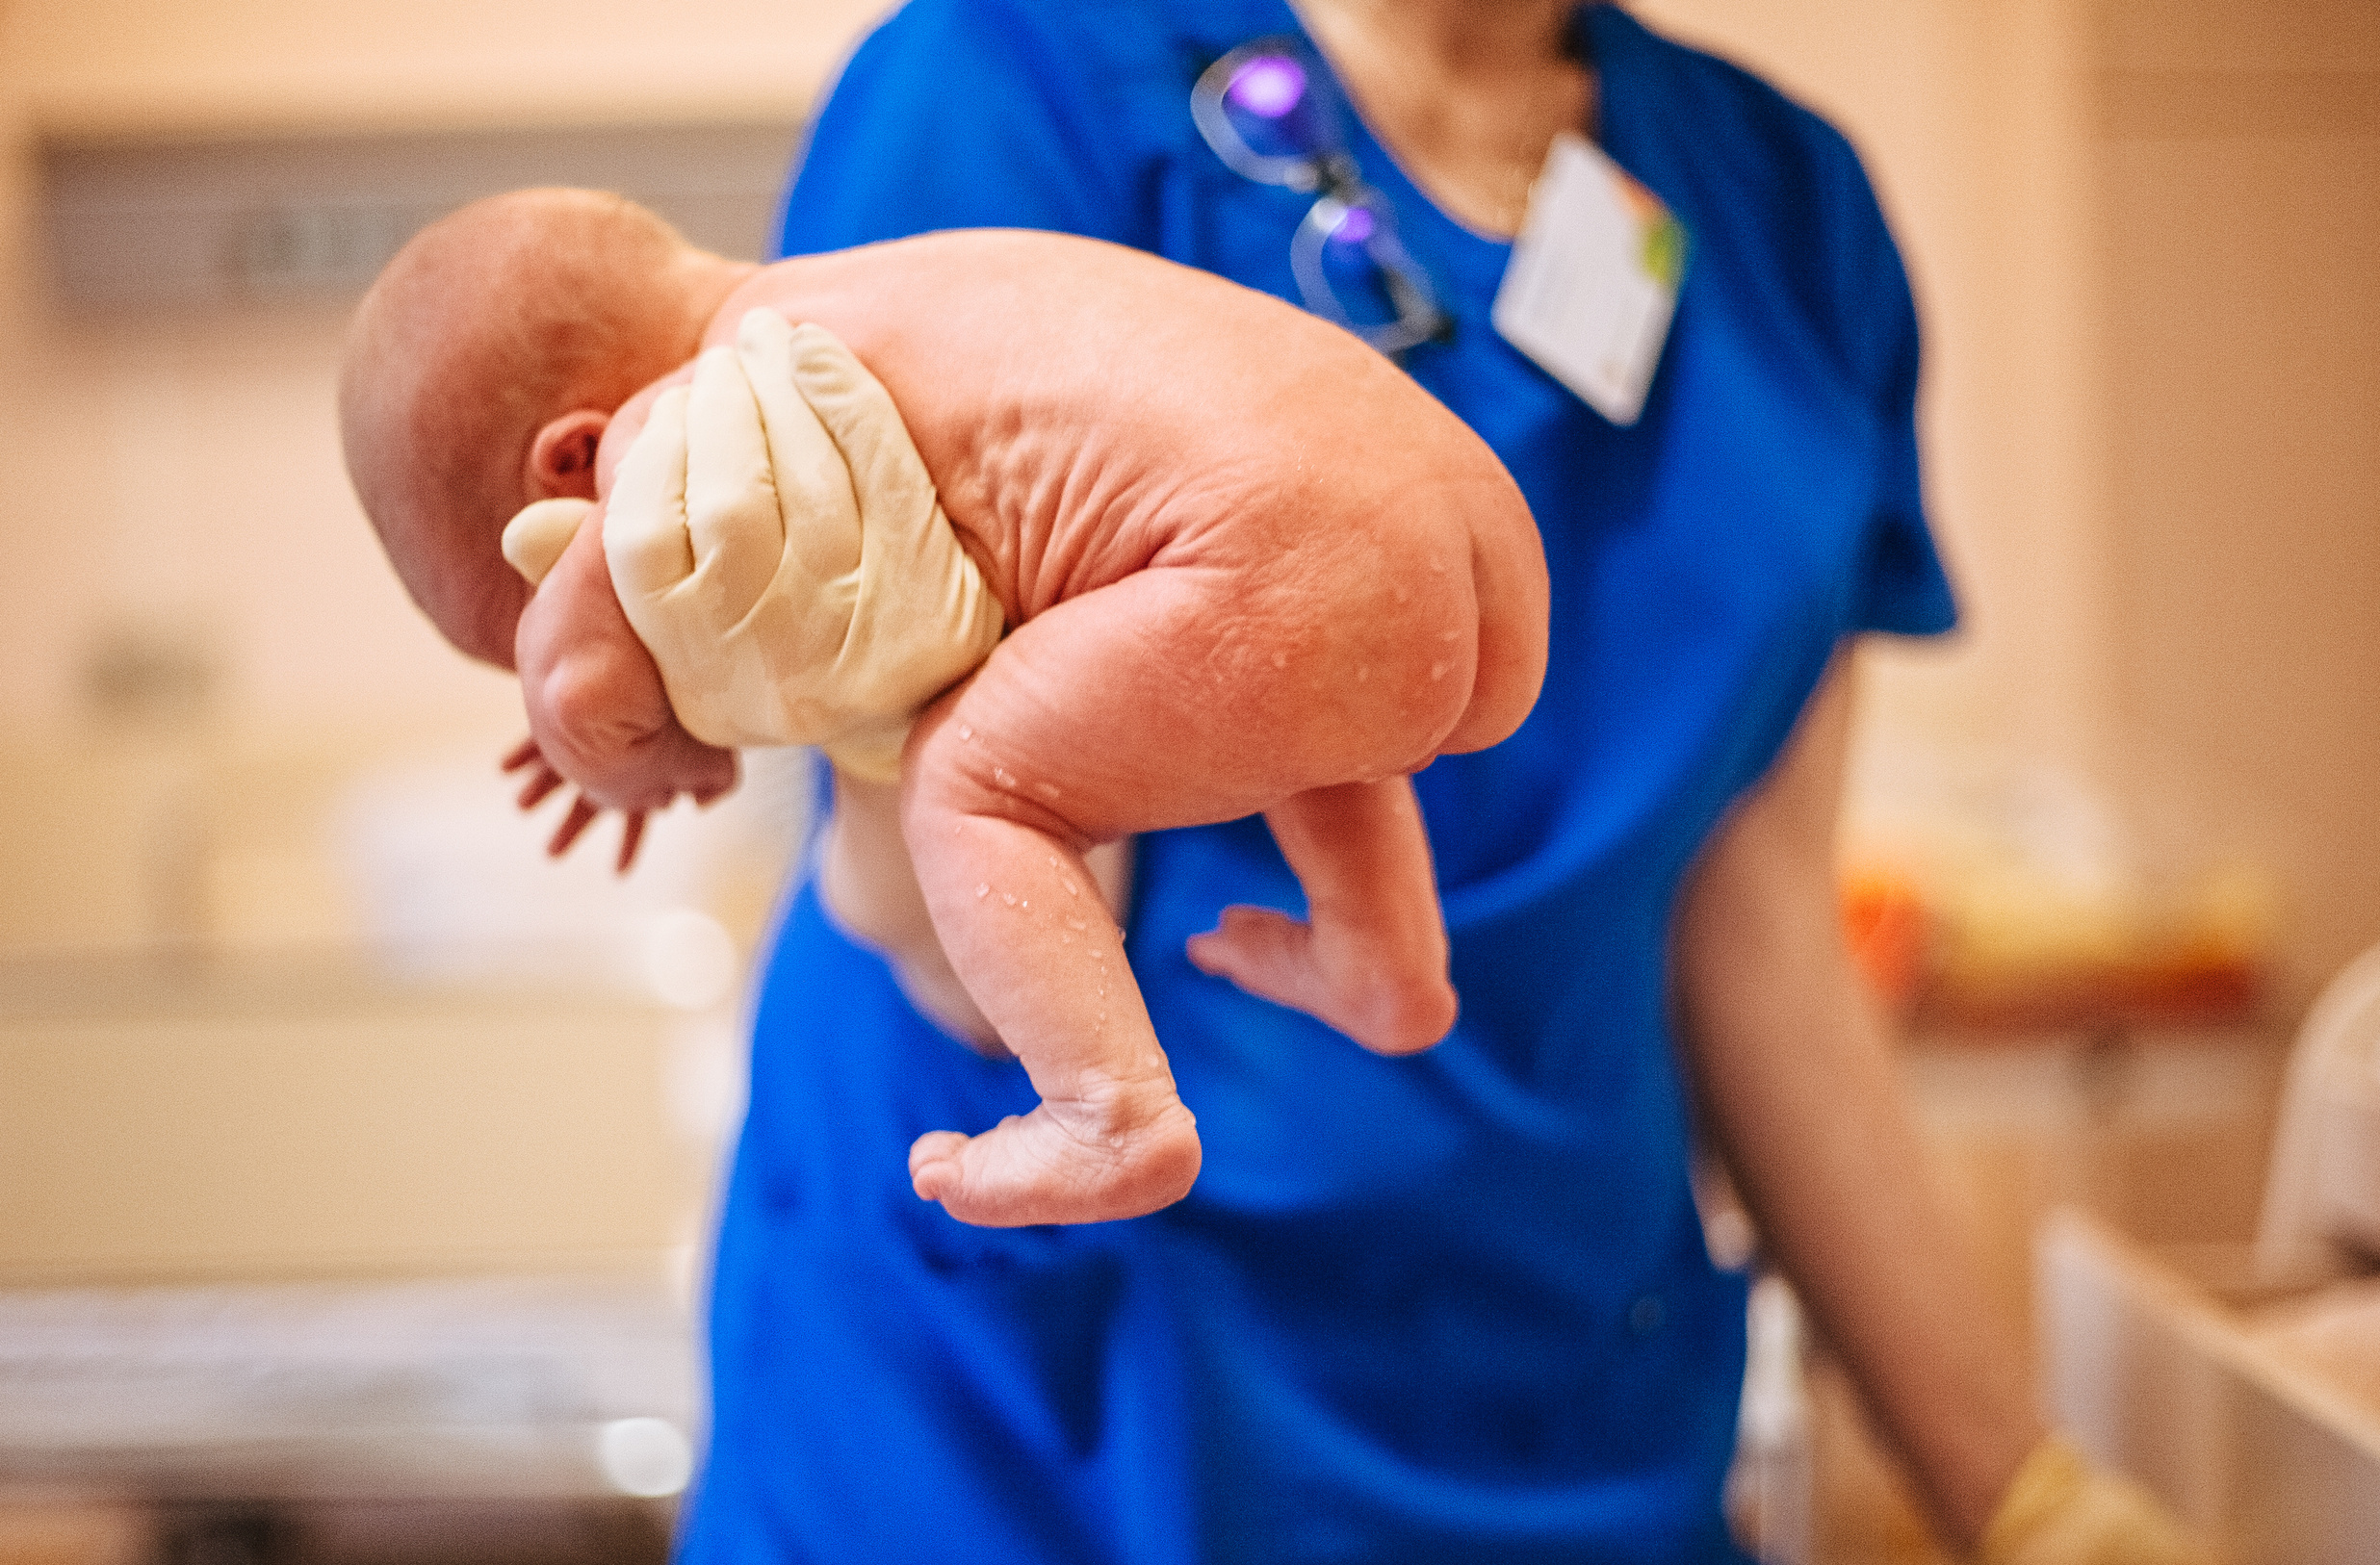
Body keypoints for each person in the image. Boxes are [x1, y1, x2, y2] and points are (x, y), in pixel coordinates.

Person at [638, 0, 2209, 1565]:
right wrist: (847, 744)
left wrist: (2017, 1498)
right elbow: (975, 910)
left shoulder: (1784, 214)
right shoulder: (1012, 88)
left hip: (1556, 1409)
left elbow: (1759, 951)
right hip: (1061, 1447)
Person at [338, 190, 1546, 1227]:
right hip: (1482, 547)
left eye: (522, 596)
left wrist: (610, 749)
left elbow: (580, 676)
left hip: (1281, 559)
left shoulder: (706, 411)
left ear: (574, 460)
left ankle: (1107, 1110)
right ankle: (1382, 954)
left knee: (969, 775)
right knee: (1286, 688)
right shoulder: (897, 282)